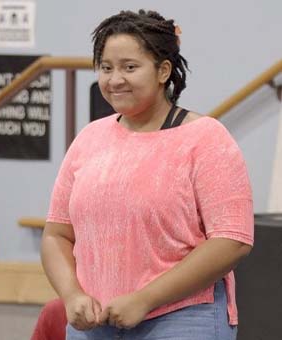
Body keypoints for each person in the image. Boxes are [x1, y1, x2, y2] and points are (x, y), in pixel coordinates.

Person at [41, 9, 254, 340]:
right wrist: (72, 295)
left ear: (163, 71)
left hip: (184, 319)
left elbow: (232, 240)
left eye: (130, 67)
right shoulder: (89, 138)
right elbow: (56, 235)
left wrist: (145, 299)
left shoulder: (206, 138)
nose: (115, 79)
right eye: (106, 68)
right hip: (94, 325)